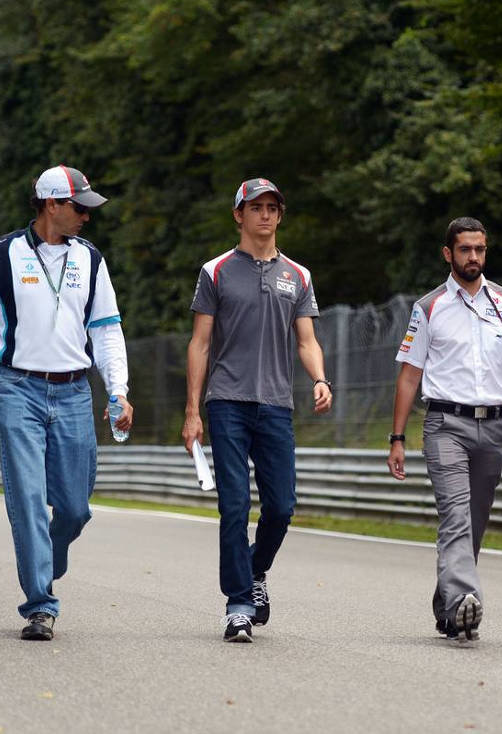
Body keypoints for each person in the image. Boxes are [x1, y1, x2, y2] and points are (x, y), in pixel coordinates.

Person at [0, 165, 132, 641]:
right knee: (28, 500)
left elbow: (107, 330)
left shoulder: (92, 260)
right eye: (79, 208)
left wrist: (119, 390)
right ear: (52, 205)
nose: (86, 218)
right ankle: (40, 604)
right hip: (17, 390)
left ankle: (47, 560)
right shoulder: (0, 256)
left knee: (74, 508)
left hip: (74, 391)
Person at [387, 216, 502, 642]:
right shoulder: (428, 307)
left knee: (474, 520)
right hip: (445, 424)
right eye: (465, 250)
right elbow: (409, 376)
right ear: (449, 254)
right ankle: (465, 599)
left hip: (494, 427)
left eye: (480, 249)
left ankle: (449, 607)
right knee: (456, 515)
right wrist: (397, 437)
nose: (473, 257)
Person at [182, 177, 332, 643]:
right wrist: (192, 411)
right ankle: (239, 606)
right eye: (256, 207)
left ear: (279, 215)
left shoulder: (298, 276)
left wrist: (320, 378)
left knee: (282, 506)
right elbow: (200, 343)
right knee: (234, 506)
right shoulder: (217, 270)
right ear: (239, 215)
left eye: (272, 207)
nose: (265, 214)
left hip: (276, 407)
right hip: (226, 402)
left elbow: (306, 340)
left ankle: (255, 571)